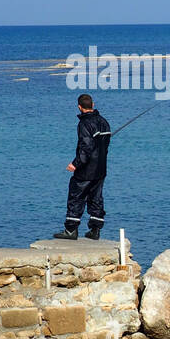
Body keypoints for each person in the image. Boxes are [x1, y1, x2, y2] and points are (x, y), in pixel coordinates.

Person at [53, 93, 111, 240]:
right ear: (93, 104)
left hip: (86, 169)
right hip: (101, 168)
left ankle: (71, 230)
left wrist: (75, 164)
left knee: (76, 195)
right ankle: (95, 230)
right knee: (96, 197)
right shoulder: (104, 122)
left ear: (79, 107)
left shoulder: (84, 124)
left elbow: (86, 147)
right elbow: (104, 145)